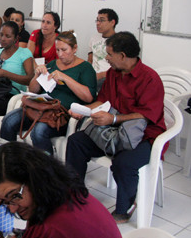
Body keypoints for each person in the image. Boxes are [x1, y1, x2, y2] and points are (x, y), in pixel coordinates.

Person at [66, 32, 166, 224]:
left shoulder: (149, 78)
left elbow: (146, 114)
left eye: (110, 55)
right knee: (76, 142)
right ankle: (74, 192)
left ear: (122, 55)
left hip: (145, 135)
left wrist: (113, 118)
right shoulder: (113, 74)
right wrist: (83, 110)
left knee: (123, 162)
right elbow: (103, 100)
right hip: (112, 131)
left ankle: (125, 207)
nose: (106, 59)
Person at [0, 142, 122, 238]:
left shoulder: (48, 230)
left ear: (35, 178)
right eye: (5, 202)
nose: (12, 209)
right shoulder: (64, 190)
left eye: (15, 196)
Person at [0, 31, 97, 155]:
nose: (60, 54)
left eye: (64, 50)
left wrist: (66, 78)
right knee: (8, 121)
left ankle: (45, 169)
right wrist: (37, 75)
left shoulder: (86, 68)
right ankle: (8, 159)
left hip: (61, 114)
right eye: (57, 50)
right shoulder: (52, 64)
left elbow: (88, 97)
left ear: (74, 48)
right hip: (41, 108)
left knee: (39, 131)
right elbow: (33, 90)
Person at [88, 8, 118, 91]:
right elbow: (90, 61)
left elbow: (119, 68)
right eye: (97, 20)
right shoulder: (94, 38)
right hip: (93, 76)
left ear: (112, 22)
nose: (98, 23)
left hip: (108, 77)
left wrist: (101, 75)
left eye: (102, 20)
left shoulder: (119, 41)